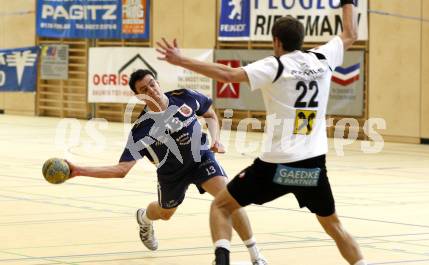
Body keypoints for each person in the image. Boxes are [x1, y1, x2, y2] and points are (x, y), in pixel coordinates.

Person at [155, 1, 368, 264]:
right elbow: (350, 34)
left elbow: (228, 74)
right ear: (301, 39)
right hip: (313, 167)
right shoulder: (323, 58)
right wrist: (349, 4)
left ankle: (222, 260)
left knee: (221, 207)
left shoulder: (276, 66)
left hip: (276, 166)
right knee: (335, 227)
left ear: (277, 42)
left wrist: (180, 59)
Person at [66, 69, 267, 265]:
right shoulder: (141, 130)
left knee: (230, 199)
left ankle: (256, 256)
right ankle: (144, 218)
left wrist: (216, 140)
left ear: (158, 82)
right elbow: (121, 170)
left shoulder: (185, 97)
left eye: (152, 84)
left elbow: (211, 115)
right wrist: (78, 170)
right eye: (144, 90)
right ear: (139, 97)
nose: (151, 90)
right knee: (165, 213)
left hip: (201, 159)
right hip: (172, 175)